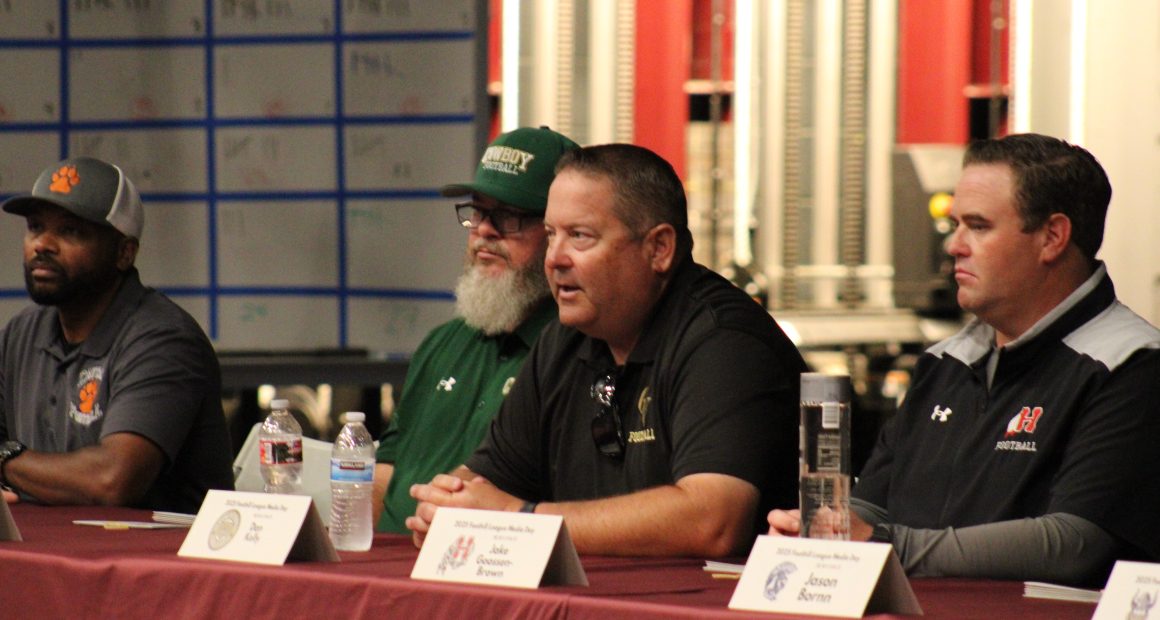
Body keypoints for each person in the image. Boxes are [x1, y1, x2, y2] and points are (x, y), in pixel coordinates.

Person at [768, 133, 1160, 586]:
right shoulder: (944, 362)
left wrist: (886, 545)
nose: (954, 245)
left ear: (1052, 237)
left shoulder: (1131, 366)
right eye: (956, 225)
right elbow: (874, 504)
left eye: (977, 226)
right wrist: (820, 531)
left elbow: (1073, 545)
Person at [407, 144, 806, 557]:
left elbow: (713, 521)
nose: (554, 258)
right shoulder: (565, 338)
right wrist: (450, 505)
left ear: (659, 249)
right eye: (549, 234)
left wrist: (521, 520)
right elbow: (487, 479)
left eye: (580, 236)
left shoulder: (725, 342)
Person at [371, 126, 580, 533]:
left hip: (484, 566)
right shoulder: (442, 342)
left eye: (509, 216)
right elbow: (385, 472)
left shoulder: (575, 351)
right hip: (390, 570)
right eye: (479, 212)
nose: (484, 230)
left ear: (556, 231)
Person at [0, 156, 234, 513]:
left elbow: (112, 480)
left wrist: (6, 460)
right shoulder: (22, 333)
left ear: (124, 253)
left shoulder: (164, 340)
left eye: (70, 231)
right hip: (57, 553)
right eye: (35, 227)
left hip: (159, 561)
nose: (42, 244)